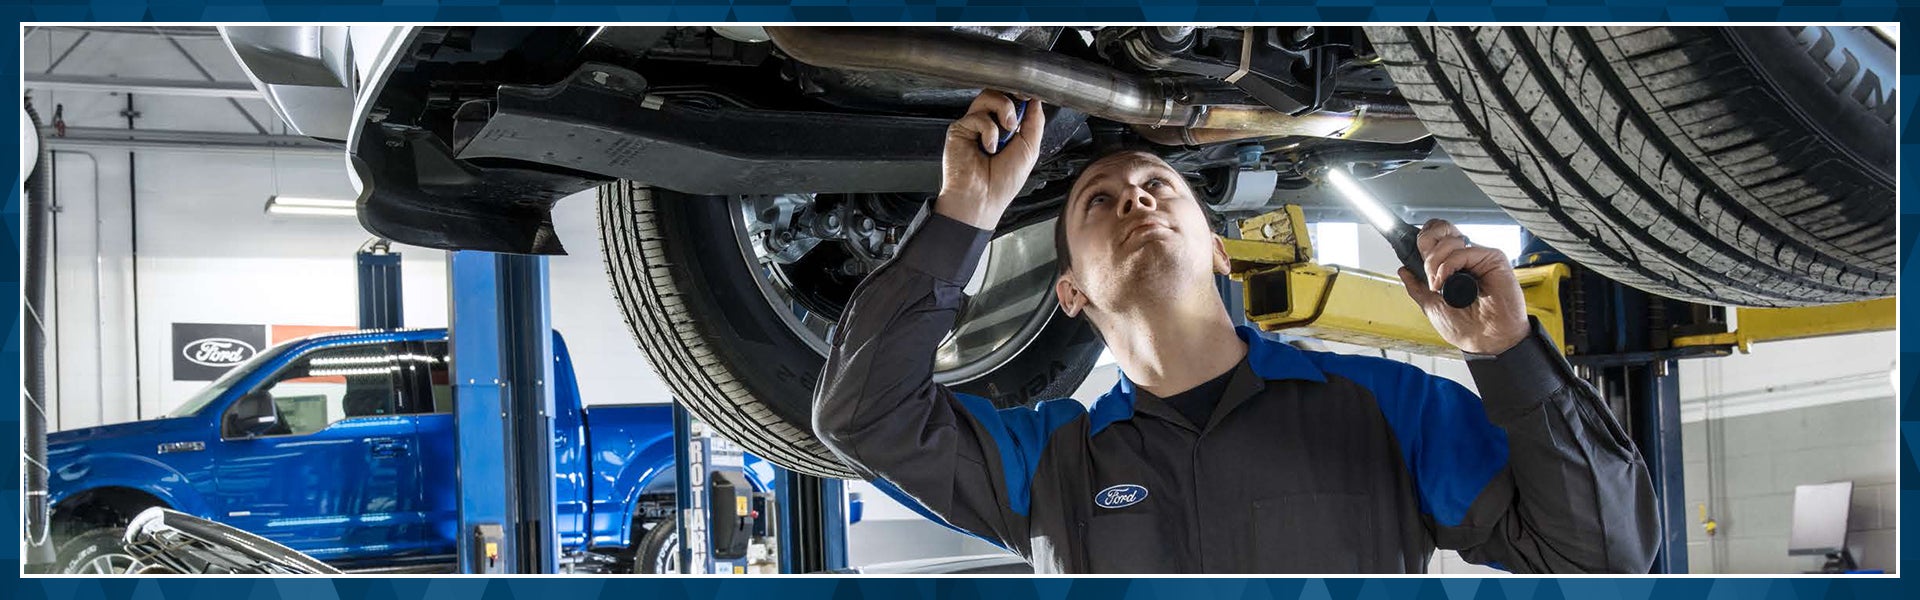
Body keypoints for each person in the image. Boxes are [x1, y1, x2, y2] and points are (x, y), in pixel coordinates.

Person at [813, 91, 1659, 574]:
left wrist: (1509, 356)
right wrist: (966, 209)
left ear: (1220, 250)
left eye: (1158, 186)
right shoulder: (1049, 464)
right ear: (1068, 292)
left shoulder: (1382, 408)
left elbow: (1602, 558)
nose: (1135, 198)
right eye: (1097, 203)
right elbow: (861, 416)